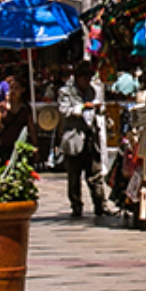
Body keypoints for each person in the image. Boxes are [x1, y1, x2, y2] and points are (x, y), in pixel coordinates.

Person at [58, 64, 106, 218]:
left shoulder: (93, 90)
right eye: (85, 77)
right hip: (74, 137)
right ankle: (76, 205)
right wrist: (82, 107)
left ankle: (100, 204)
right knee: (74, 176)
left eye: (89, 78)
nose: (87, 81)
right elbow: (64, 111)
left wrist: (98, 109)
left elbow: (100, 107)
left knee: (95, 173)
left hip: (91, 137)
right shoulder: (66, 91)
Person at [0, 71, 32, 164]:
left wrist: (35, 146)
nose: (13, 91)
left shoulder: (26, 108)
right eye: (11, 88)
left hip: (20, 147)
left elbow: (31, 128)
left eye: (16, 88)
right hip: (4, 147)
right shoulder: (1, 108)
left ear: (23, 90)